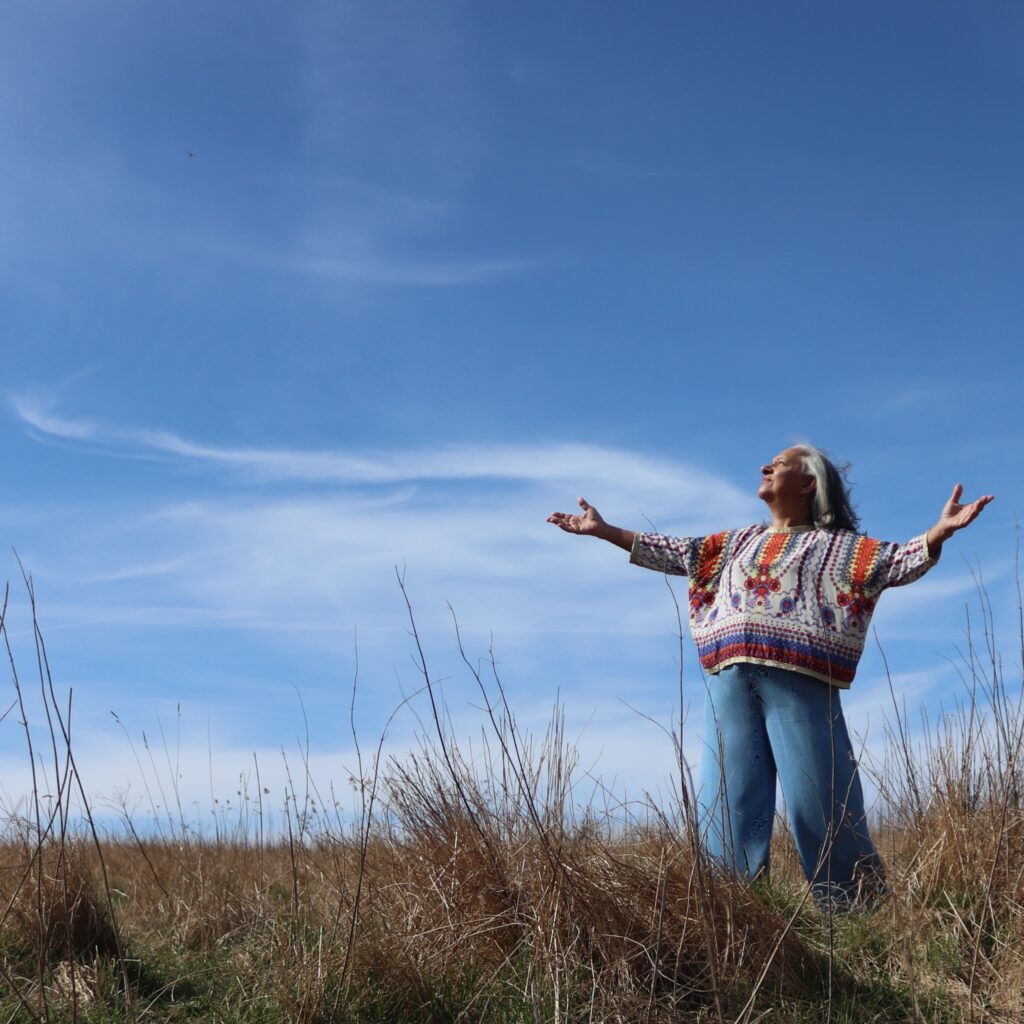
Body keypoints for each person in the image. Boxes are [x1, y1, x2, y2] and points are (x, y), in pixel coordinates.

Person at [547, 445, 994, 905]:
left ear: (808, 484)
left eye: (779, 464)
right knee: (727, 801)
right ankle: (737, 913)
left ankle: (855, 908)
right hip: (729, 683)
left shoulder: (840, 547)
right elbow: (679, 553)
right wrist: (604, 531)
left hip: (799, 682)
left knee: (818, 797)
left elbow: (894, 562)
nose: (765, 467)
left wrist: (938, 533)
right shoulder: (737, 542)